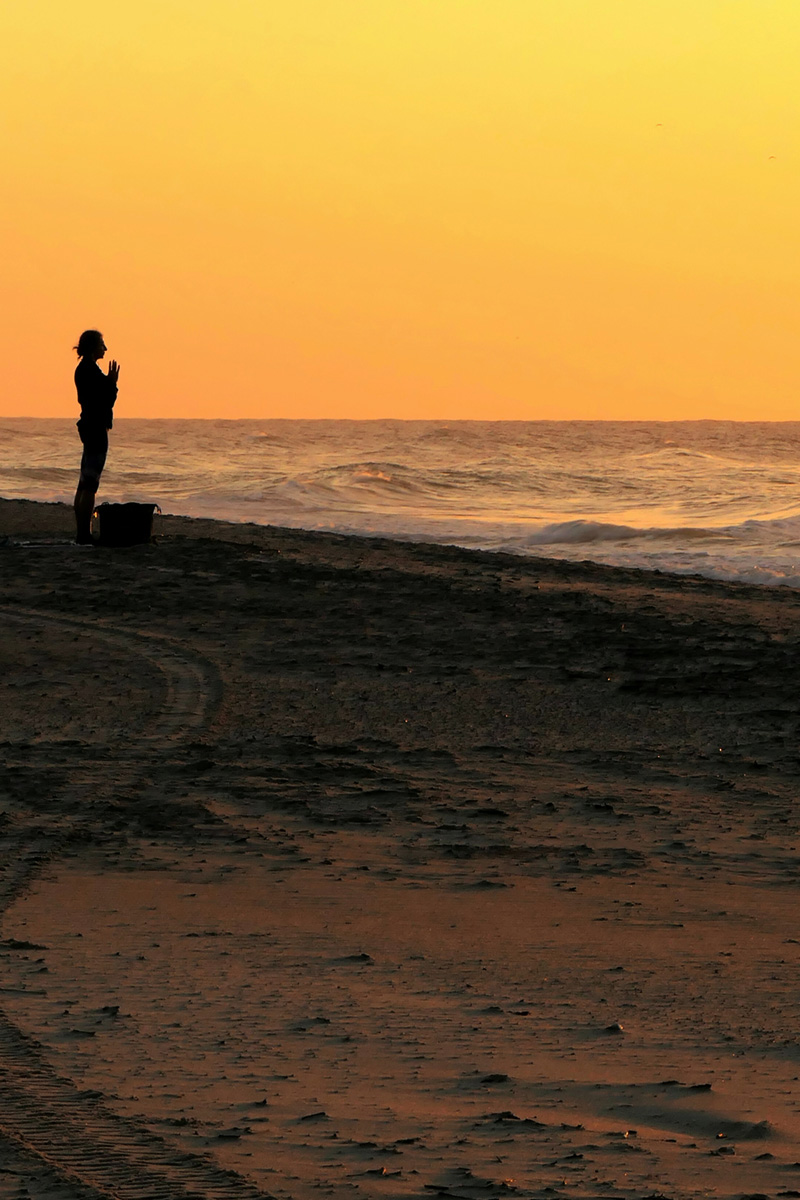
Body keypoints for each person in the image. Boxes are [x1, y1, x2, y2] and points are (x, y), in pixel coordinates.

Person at [73, 330, 120, 544]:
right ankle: (84, 533)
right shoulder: (89, 370)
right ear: (93, 347)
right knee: (90, 483)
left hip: (89, 427)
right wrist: (111, 382)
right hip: (96, 429)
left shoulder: (84, 369)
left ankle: (82, 531)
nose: (105, 348)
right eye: (102, 344)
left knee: (85, 481)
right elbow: (105, 401)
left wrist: (109, 382)